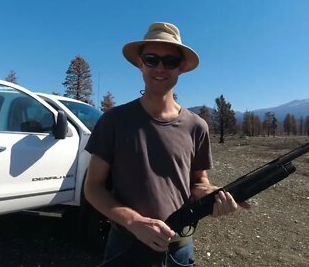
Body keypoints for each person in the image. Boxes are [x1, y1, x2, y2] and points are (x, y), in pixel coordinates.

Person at [84, 22, 249, 267]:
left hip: (179, 251)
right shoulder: (113, 121)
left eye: (170, 61)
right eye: (152, 59)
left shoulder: (197, 126)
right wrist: (133, 221)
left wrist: (212, 195)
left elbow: (197, 182)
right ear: (140, 63)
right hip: (126, 245)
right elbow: (93, 188)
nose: (160, 67)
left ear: (181, 68)